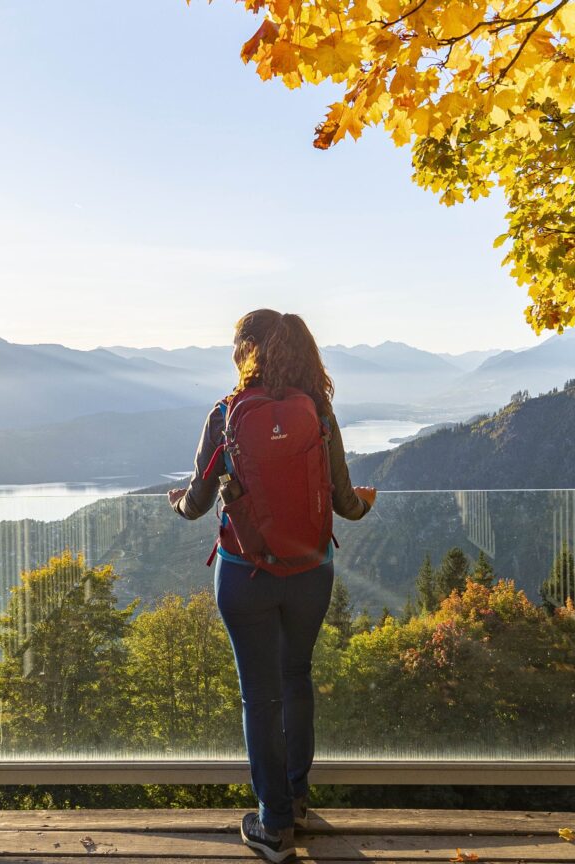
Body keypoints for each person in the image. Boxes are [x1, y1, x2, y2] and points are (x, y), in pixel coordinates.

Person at [168, 309, 375, 862]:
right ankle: (298, 798)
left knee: (259, 696)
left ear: (246, 350)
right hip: (310, 572)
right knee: (296, 677)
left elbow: (196, 503)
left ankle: (273, 823)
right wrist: (367, 502)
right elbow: (346, 505)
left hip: (245, 576)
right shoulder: (320, 414)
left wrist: (178, 503)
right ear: (307, 353)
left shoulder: (226, 413)